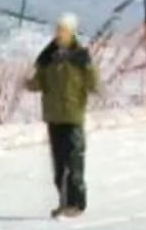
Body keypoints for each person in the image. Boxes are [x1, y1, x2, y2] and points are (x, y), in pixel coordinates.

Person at [28, 13, 99, 218]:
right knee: (59, 166)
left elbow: (93, 83)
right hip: (54, 117)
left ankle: (77, 204)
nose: (60, 34)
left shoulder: (80, 57)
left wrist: (90, 71)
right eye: (58, 30)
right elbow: (38, 83)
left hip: (73, 116)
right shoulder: (47, 57)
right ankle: (64, 202)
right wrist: (27, 81)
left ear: (72, 33)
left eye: (64, 30)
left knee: (74, 162)